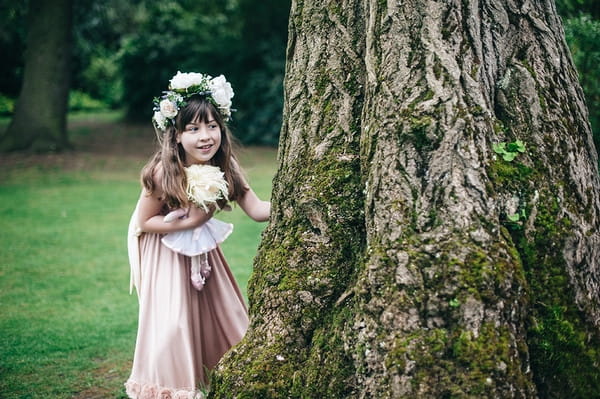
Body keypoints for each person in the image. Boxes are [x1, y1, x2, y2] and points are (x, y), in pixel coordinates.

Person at [125, 71, 270, 399]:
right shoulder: (164, 172)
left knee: (226, 311)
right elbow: (144, 222)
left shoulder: (225, 166)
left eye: (212, 126)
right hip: (165, 250)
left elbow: (258, 208)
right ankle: (174, 388)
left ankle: (237, 375)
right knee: (174, 321)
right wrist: (187, 224)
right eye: (193, 129)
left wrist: (294, 204)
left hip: (203, 255)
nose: (205, 136)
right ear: (176, 136)